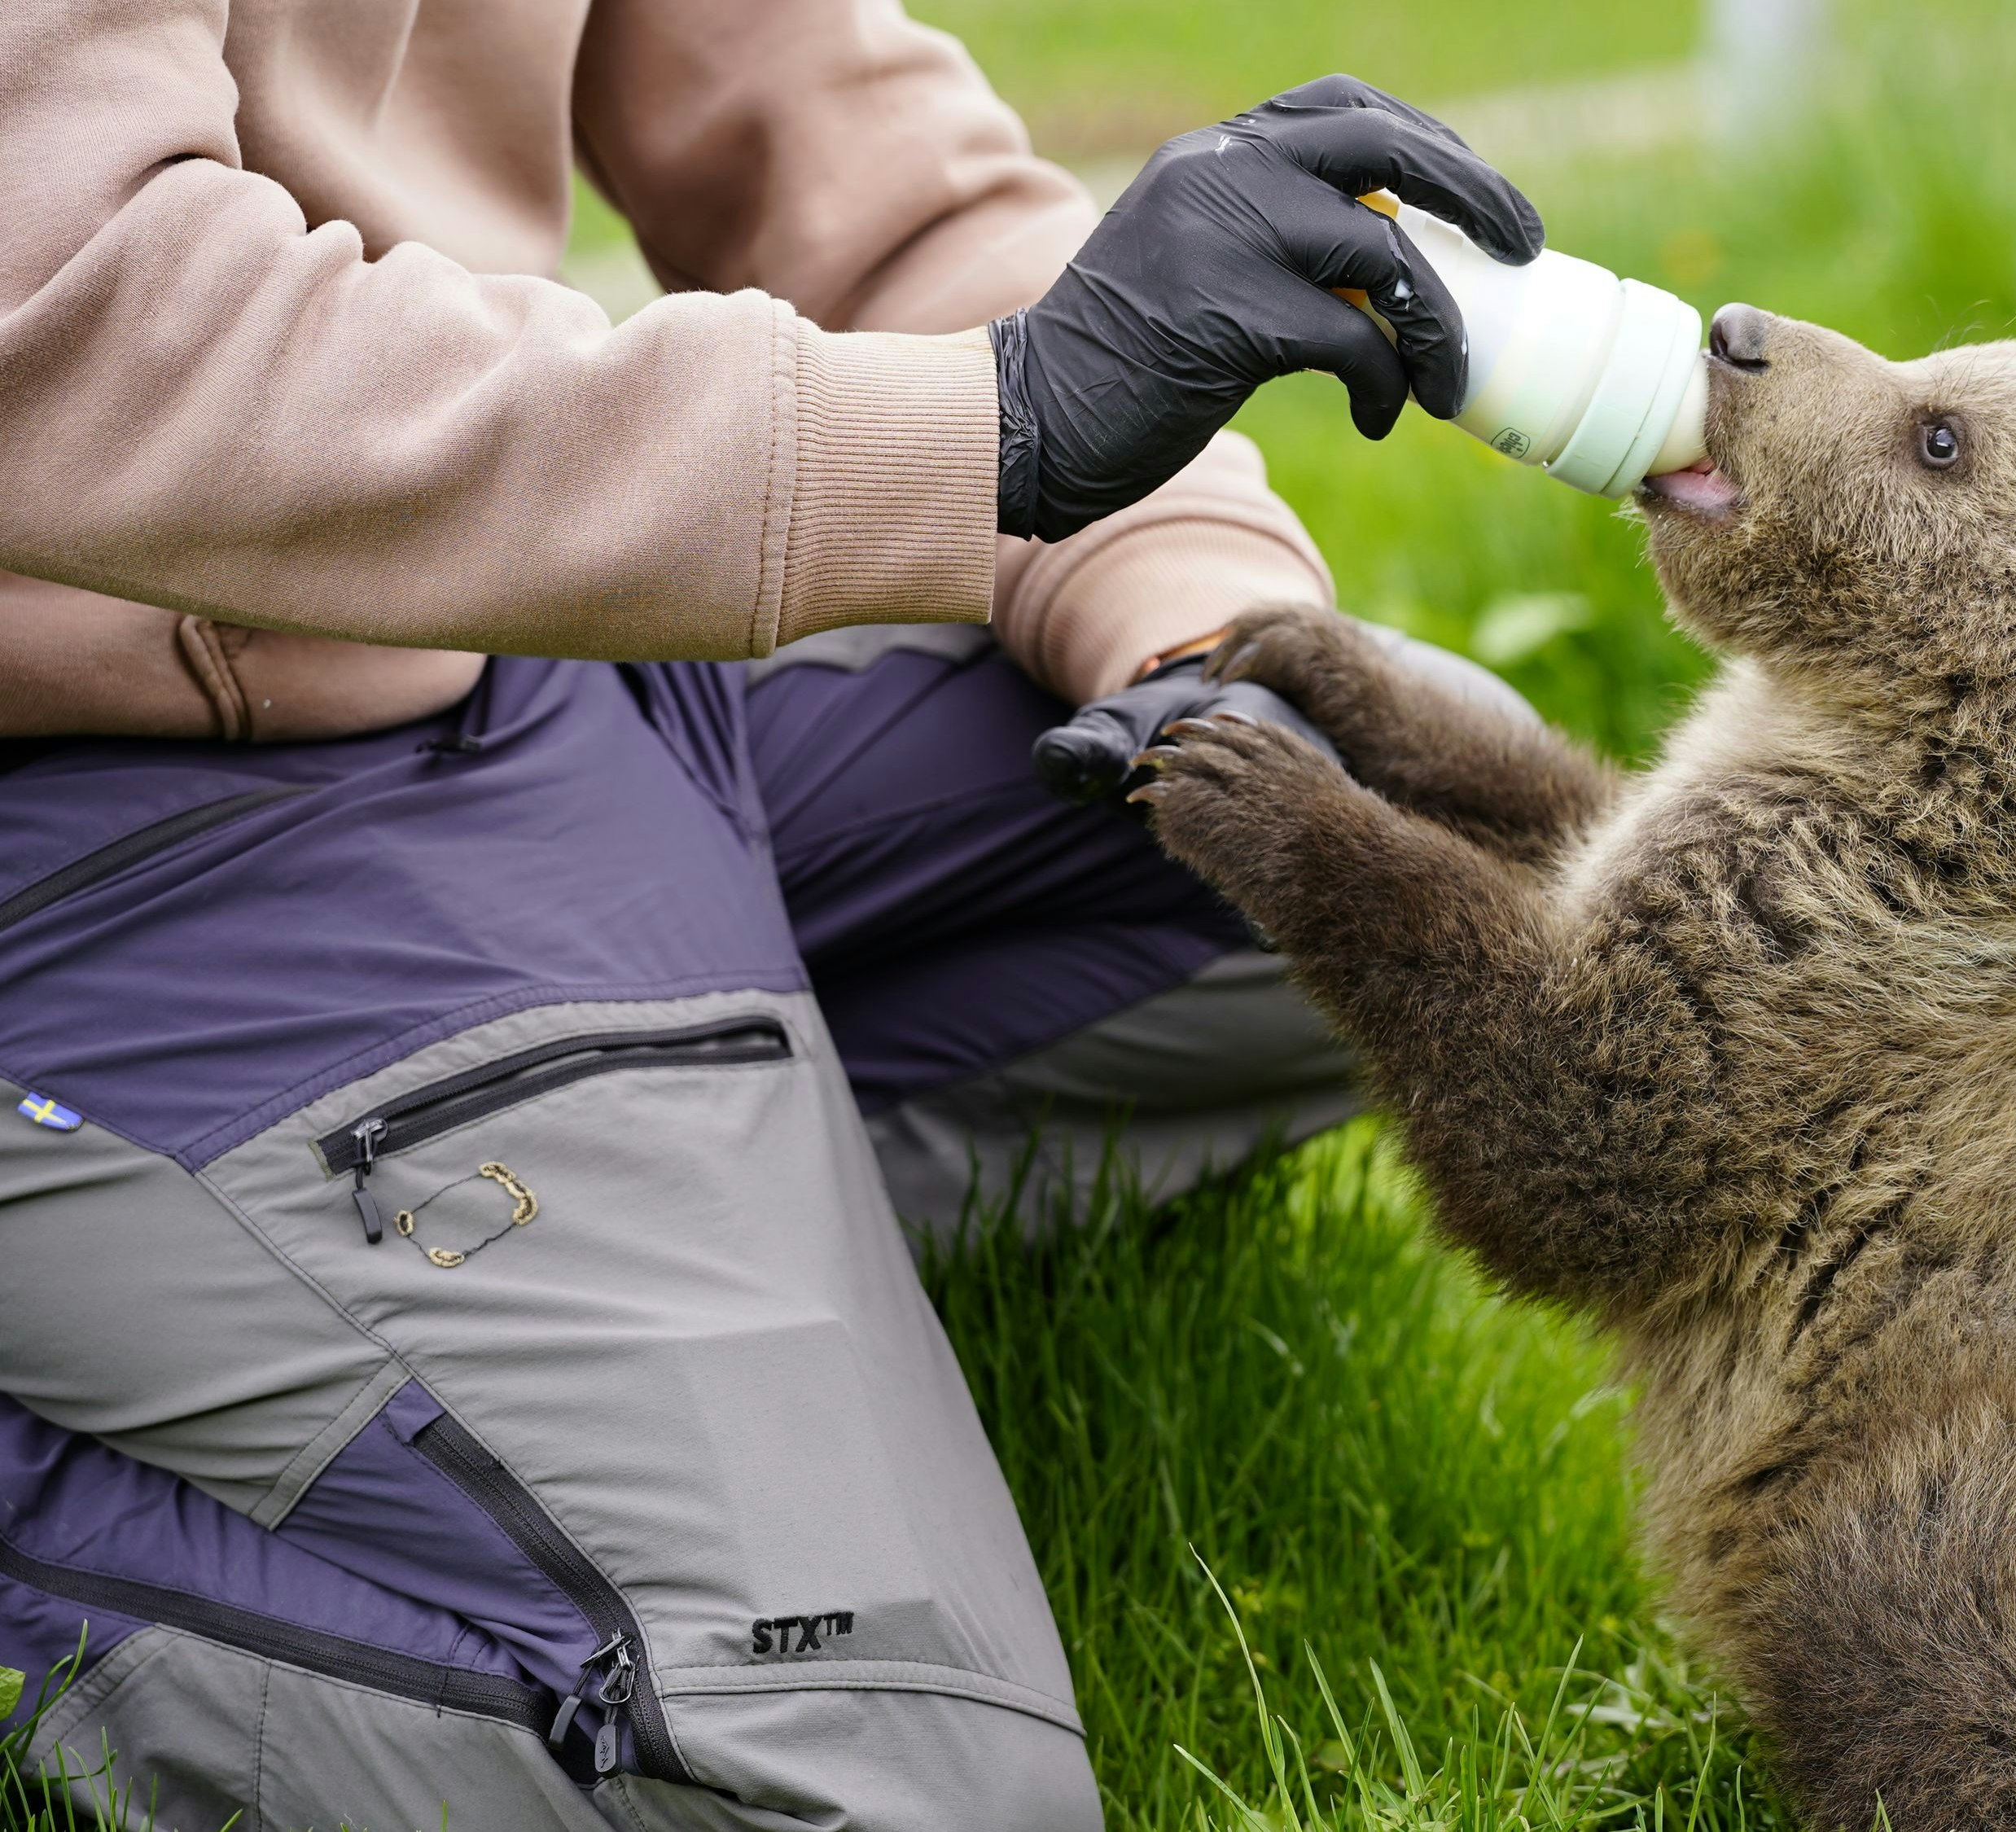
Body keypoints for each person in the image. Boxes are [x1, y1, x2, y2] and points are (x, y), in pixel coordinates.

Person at [0, 0, 1545, 1823]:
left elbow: (859, 171)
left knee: (1443, 859)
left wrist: (1179, 607)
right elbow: (70, 321)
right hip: (91, 817)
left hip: (481, 630)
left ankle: (585, 1265)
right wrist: (990, 426)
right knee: (871, 1787)